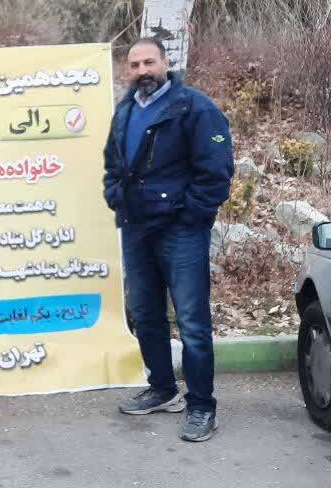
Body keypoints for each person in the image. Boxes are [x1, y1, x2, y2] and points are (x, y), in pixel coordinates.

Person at [102, 37, 234, 443]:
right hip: (137, 229)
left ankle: (202, 407)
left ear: (165, 62)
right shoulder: (125, 110)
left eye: (149, 62)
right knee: (145, 314)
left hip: (181, 232)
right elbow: (113, 163)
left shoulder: (195, 107)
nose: (142, 70)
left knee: (192, 323)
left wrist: (190, 215)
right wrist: (116, 195)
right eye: (135, 65)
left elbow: (216, 171)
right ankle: (162, 389)